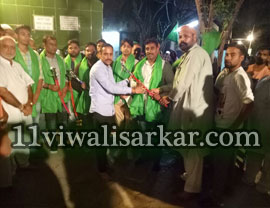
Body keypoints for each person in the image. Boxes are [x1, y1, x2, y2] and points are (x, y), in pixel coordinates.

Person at [160, 25, 214, 199]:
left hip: (194, 110)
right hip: (186, 108)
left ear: (195, 37)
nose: (181, 40)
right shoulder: (188, 55)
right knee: (185, 146)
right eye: (180, 37)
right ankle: (190, 175)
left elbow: (183, 83)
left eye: (185, 36)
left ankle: (192, 188)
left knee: (193, 150)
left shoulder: (197, 54)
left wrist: (168, 98)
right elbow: (179, 84)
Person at [204, 43, 254, 207]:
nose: (228, 57)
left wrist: (234, 127)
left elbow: (249, 103)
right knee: (220, 162)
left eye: (233, 55)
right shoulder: (225, 74)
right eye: (227, 54)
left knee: (221, 164)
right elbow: (218, 92)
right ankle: (223, 190)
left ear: (242, 58)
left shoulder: (240, 76)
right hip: (219, 123)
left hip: (229, 128)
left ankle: (216, 198)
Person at [89, 43, 144, 178]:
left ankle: (105, 166)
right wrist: (133, 90)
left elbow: (113, 85)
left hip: (107, 111)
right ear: (100, 54)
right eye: (105, 54)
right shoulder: (98, 69)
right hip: (100, 111)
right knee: (101, 143)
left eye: (110, 54)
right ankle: (102, 170)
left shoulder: (107, 67)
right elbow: (111, 88)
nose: (108, 57)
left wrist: (127, 81)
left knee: (105, 141)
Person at [129, 38, 174, 171]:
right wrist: (135, 85)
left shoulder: (165, 66)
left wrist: (159, 90)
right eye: (147, 49)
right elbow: (132, 80)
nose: (149, 51)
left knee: (157, 136)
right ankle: (144, 156)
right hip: (142, 106)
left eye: (152, 48)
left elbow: (173, 85)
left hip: (156, 107)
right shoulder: (140, 65)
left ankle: (156, 161)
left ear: (158, 48)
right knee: (143, 134)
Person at [0, 36, 34, 188]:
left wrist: (30, 103)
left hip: (25, 111)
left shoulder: (17, 65)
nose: (9, 50)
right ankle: (10, 179)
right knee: (10, 146)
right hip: (12, 112)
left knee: (24, 139)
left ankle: (23, 165)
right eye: (5, 46)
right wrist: (21, 106)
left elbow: (29, 85)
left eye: (12, 47)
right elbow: (3, 91)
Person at [40, 35, 69, 152]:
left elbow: (66, 75)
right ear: (45, 45)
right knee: (51, 122)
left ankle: (64, 140)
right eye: (50, 44)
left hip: (61, 95)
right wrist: (49, 86)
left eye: (55, 44)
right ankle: (52, 143)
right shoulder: (40, 60)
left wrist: (65, 87)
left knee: (64, 120)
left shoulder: (60, 59)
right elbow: (37, 79)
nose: (53, 47)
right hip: (48, 96)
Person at [14, 25, 43, 123]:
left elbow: (40, 76)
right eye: (23, 34)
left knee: (35, 124)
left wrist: (35, 97)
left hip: (35, 95)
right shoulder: (12, 53)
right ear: (16, 36)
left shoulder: (35, 54)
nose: (26, 37)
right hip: (18, 96)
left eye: (28, 35)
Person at [113, 39, 137, 129]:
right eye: (124, 46)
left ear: (131, 48)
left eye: (128, 46)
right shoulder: (116, 62)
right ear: (120, 48)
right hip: (117, 96)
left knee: (129, 121)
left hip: (129, 96)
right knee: (118, 121)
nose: (126, 48)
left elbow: (136, 80)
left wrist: (127, 93)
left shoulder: (136, 63)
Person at [74, 42, 98, 125]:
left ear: (96, 51)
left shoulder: (101, 64)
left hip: (98, 99)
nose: (90, 52)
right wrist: (81, 86)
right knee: (85, 123)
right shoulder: (79, 65)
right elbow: (73, 81)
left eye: (92, 50)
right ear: (84, 52)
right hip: (84, 98)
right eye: (88, 50)